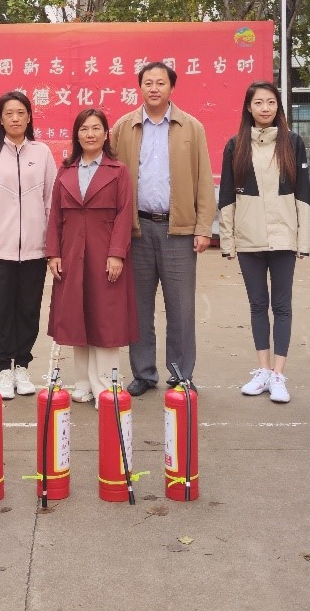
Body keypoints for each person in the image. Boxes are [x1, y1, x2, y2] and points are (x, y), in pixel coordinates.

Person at [110, 61, 215, 395]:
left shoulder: (191, 127)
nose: (154, 88)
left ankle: (180, 373)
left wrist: (203, 227)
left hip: (178, 231)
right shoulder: (123, 127)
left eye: (161, 83)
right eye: (148, 82)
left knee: (181, 308)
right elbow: (111, 179)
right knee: (138, 307)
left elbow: (203, 179)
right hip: (136, 230)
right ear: (139, 87)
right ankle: (143, 373)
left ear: (172, 87)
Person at [217, 81, 310, 404]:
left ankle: (279, 375)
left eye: (271, 102)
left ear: (278, 106)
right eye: (259, 102)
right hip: (249, 239)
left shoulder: (292, 143)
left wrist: (303, 238)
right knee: (258, 305)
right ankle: (264, 370)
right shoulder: (235, 146)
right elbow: (227, 196)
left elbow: (303, 193)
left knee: (282, 306)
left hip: (284, 238)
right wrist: (227, 240)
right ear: (249, 107)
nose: (265, 108)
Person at [45, 109, 137, 404]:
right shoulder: (66, 170)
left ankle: (105, 386)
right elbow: (55, 216)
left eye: (96, 128)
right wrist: (53, 253)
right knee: (76, 316)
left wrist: (117, 254)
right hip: (72, 251)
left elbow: (124, 214)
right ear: (77, 135)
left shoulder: (118, 170)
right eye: (84, 129)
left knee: (105, 318)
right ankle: (83, 382)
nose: (90, 134)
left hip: (104, 251)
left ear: (106, 134)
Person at [0, 91, 57, 399]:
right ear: (0, 119)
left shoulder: (42, 152)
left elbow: (52, 202)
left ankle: (22, 366)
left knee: (29, 309)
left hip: (35, 250)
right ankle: (4, 370)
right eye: (9, 113)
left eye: (21, 112)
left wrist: (52, 246)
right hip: (0, 251)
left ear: (29, 117)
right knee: (3, 310)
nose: (15, 118)